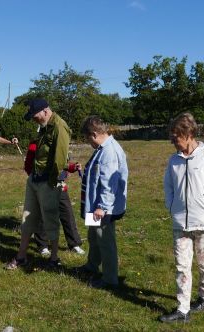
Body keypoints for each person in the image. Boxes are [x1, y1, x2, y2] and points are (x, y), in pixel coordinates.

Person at [159, 113, 204, 323]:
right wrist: (172, 206)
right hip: (180, 222)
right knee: (182, 265)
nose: (173, 142)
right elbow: (168, 186)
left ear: (188, 134)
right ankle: (183, 309)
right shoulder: (174, 160)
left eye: (176, 138)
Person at [5, 98, 71, 270]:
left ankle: (54, 258)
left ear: (45, 111)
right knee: (27, 218)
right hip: (34, 180)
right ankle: (21, 257)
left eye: (35, 116)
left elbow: (60, 157)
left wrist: (52, 181)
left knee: (50, 220)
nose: (34, 119)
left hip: (47, 182)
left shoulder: (59, 126)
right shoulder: (44, 126)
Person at [78, 115, 128, 290]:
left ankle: (110, 279)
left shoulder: (109, 152)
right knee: (94, 237)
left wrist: (102, 207)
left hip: (103, 208)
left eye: (87, 138)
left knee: (105, 241)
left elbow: (109, 183)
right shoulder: (102, 148)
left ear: (93, 134)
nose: (88, 142)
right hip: (95, 205)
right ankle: (92, 266)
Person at [24, 141, 85, 255]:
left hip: (60, 185)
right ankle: (42, 245)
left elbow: (62, 164)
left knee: (67, 214)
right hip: (43, 185)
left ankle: (74, 244)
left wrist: (73, 167)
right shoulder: (35, 144)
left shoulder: (61, 142)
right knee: (43, 215)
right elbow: (28, 166)